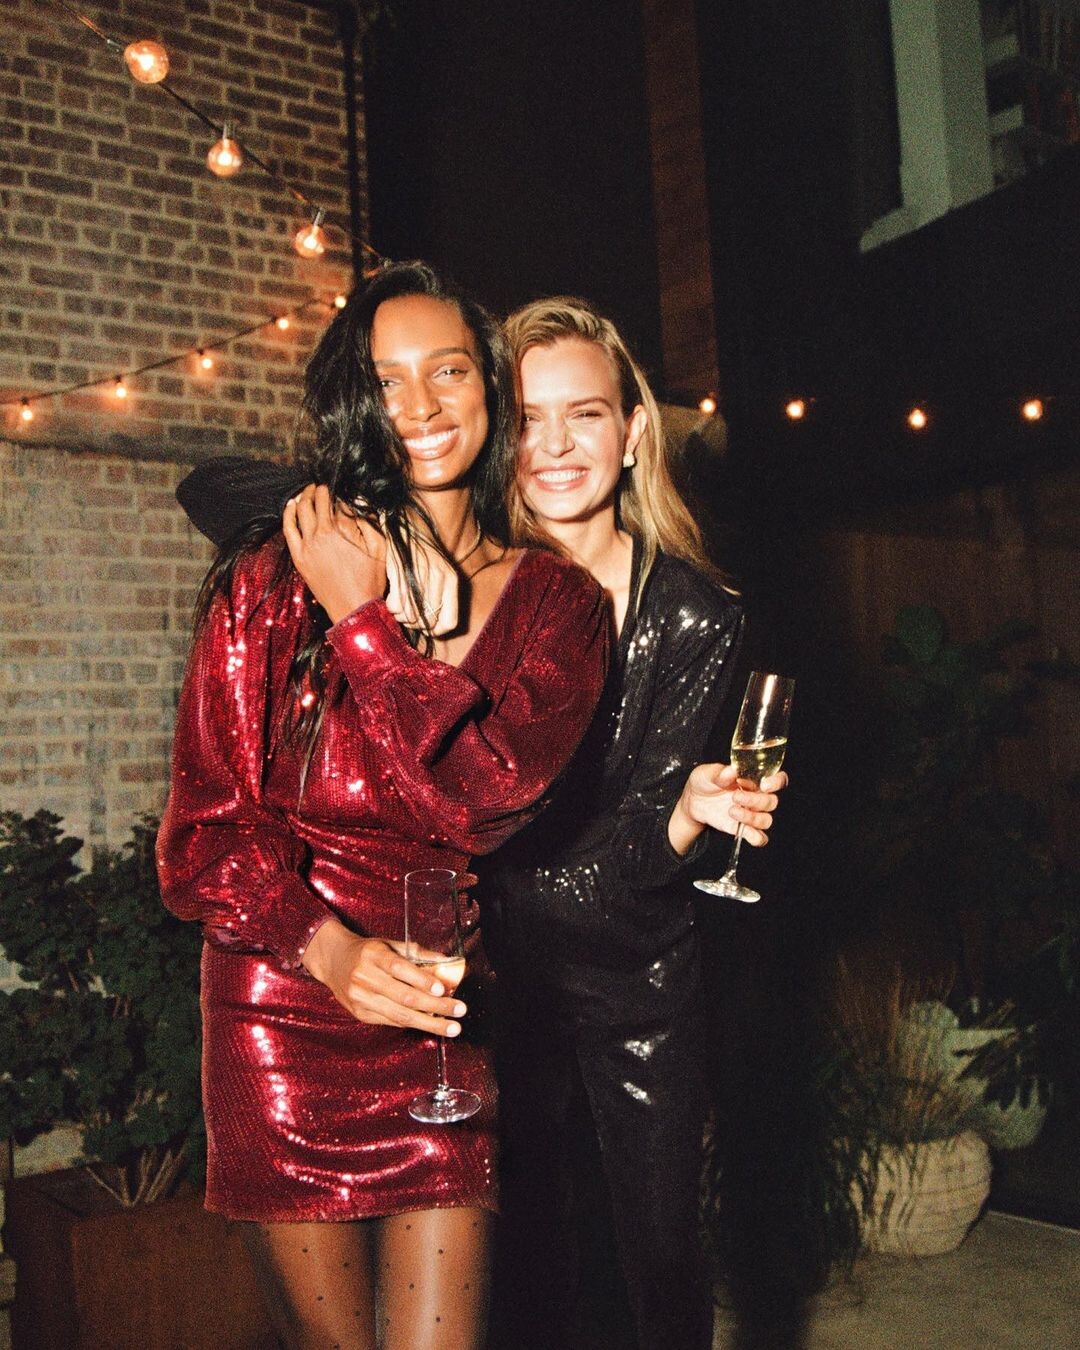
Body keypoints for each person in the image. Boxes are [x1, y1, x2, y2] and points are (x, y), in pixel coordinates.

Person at [156, 261, 608, 1350]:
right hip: (279, 1006)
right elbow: (205, 835)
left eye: (447, 370)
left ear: (490, 386)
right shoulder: (271, 579)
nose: (420, 405)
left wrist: (363, 624)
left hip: (439, 1028)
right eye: (386, 379)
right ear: (356, 402)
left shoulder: (559, 603)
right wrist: (328, 950)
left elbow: (481, 803)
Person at [479, 298, 787, 1350]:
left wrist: (685, 819)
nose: (557, 445)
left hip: (637, 977)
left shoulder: (697, 614)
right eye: (528, 418)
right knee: (520, 1265)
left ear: (633, 431)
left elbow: (625, 861)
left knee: (657, 1262)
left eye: (586, 414)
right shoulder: (466, 594)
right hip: (494, 977)